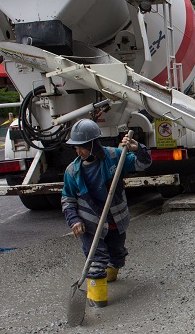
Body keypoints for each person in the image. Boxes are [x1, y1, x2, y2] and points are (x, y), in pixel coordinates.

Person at [62, 119, 152, 308]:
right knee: (95, 257)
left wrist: (137, 149)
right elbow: (68, 199)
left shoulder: (114, 157)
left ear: (93, 144)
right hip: (90, 222)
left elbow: (144, 164)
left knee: (116, 253)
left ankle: (111, 271)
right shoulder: (72, 171)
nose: (79, 152)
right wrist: (74, 220)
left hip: (115, 218)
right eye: (75, 148)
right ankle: (98, 298)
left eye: (82, 147)